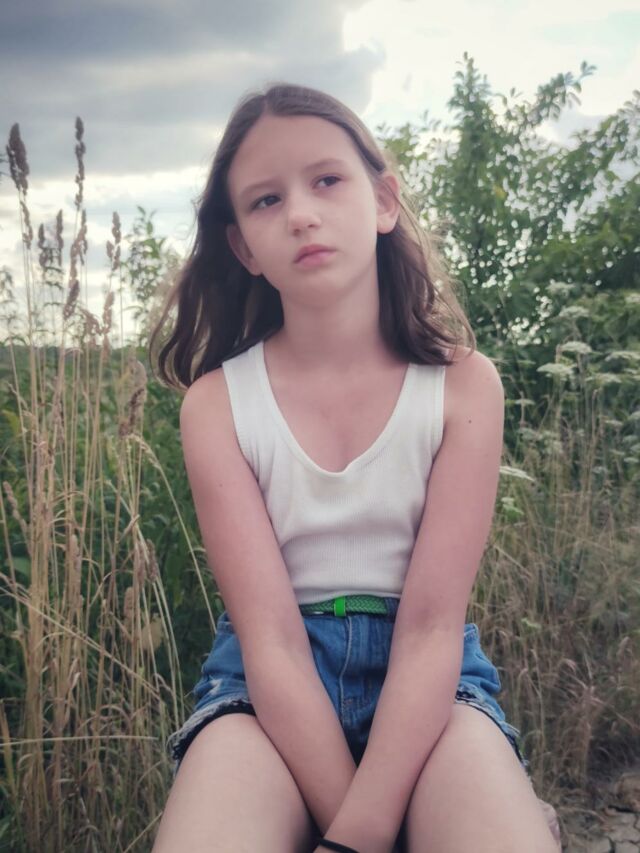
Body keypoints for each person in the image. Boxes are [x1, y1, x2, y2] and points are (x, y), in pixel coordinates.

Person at [149, 82, 560, 852]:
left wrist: (362, 832)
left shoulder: (462, 386)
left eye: (326, 180)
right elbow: (271, 638)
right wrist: (357, 831)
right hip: (264, 693)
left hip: (431, 684)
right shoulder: (217, 404)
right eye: (266, 200)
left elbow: (432, 626)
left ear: (383, 201)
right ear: (243, 247)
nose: (301, 213)